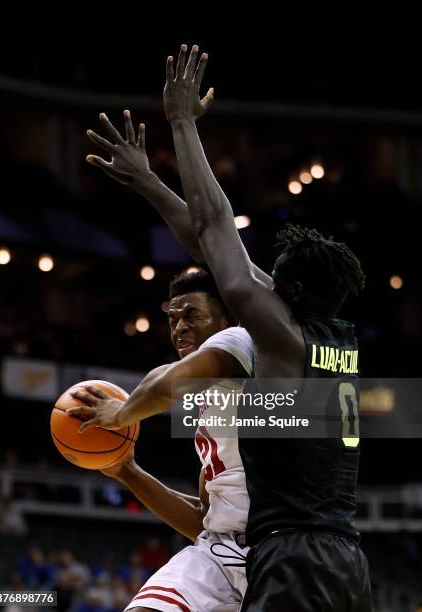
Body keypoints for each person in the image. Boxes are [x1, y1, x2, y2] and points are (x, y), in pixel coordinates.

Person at [161, 43, 372, 611]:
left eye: (273, 282)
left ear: (293, 294)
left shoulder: (282, 337)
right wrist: (146, 184)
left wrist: (181, 124)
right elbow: (209, 243)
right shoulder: (337, 339)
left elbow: (214, 223)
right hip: (348, 559)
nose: (263, 288)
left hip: (293, 557)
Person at [69, 270, 254, 611]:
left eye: (192, 315)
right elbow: (203, 520)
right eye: (173, 319)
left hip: (275, 553)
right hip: (218, 553)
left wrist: (122, 412)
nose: (179, 328)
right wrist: (127, 472)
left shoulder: (246, 350)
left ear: (228, 319)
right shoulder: (210, 401)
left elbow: (161, 382)